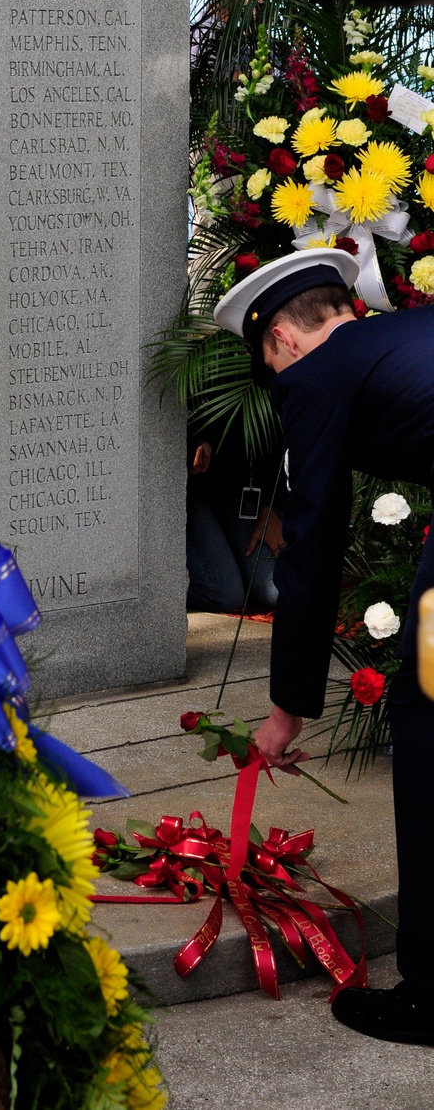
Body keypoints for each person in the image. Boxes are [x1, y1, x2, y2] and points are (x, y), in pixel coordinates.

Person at [214, 247, 434, 1045]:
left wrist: (286, 711)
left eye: (268, 369)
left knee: (427, 715)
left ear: (283, 340)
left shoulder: (314, 378)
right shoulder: (406, 338)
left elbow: (309, 547)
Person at [186, 416, 283, 617]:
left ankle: (235, 567)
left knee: (279, 591)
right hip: (188, 492)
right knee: (223, 594)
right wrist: (187, 445)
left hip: (243, 491)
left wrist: (272, 507)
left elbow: (285, 436)